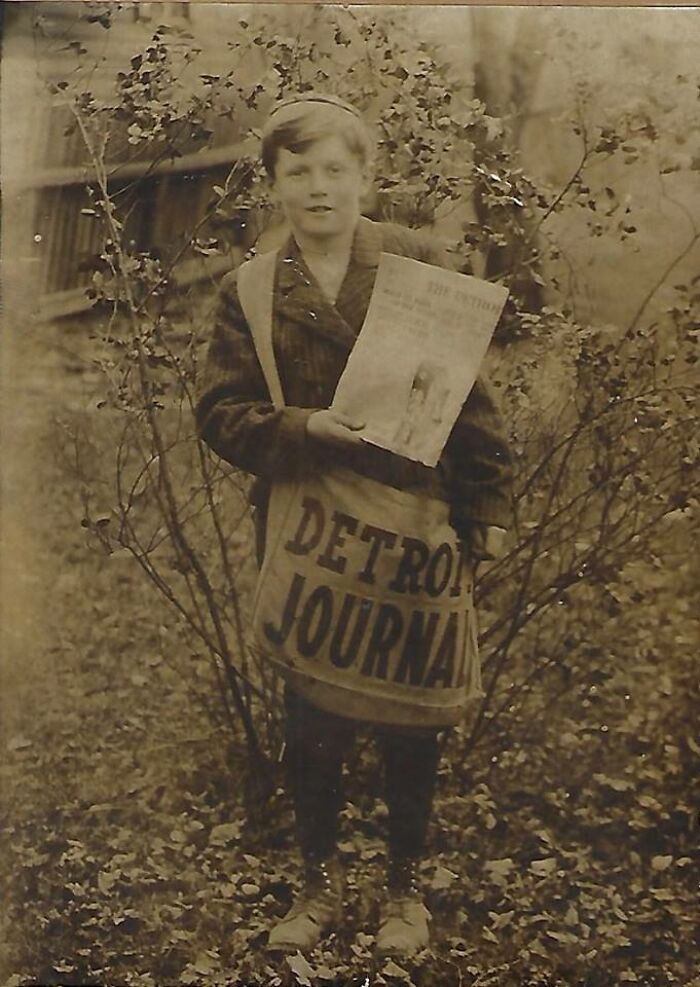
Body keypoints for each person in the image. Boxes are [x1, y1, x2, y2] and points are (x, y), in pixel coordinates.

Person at [195, 93, 513, 958]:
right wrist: (303, 430)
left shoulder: (413, 262)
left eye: (336, 170)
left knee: (413, 719)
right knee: (313, 715)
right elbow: (221, 412)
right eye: (297, 172)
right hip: (311, 537)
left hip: (414, 530)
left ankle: (405, 892)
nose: (319, 188)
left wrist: (485, 508)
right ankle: (318, 885)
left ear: (364, 178)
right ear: (273, 185)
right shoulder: (254, 289)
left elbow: (472, 400)